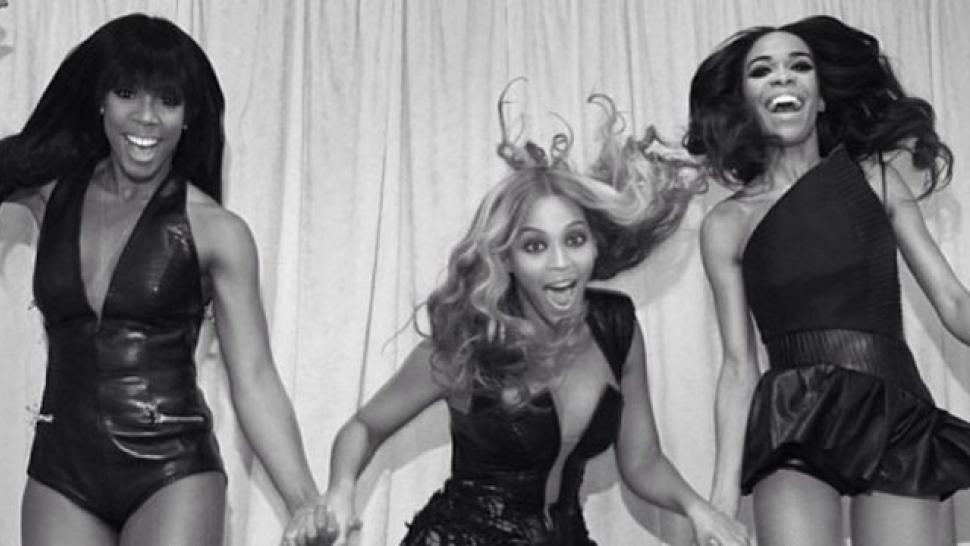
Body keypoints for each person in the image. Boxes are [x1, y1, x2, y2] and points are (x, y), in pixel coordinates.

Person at [287, 89, 751, 546]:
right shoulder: (470, 342)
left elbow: (642, 460)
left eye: (574, 239)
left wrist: (700, 510)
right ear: (505, 258)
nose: (560, 264)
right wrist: (340, 491)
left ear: (595, 244)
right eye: (535, 246)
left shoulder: (616, 326)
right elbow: (364, 427)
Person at [0, 13, 324, 545]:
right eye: (127, 94)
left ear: (189, 115)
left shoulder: (218, 231)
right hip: (61, 470)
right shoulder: (48, 194)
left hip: (172, 473)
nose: (147, 117)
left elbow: (254, 376)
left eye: (168, 101)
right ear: (100, 100)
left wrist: (303, 499)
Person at [687, 14, 970, 546]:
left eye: (799, 65)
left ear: (820, 98)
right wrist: (721, 501)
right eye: (761, 70)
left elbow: (955, 304)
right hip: (793, 419)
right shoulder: (727, 224)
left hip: (894, 410)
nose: (782, 76)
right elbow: (738, 365)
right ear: (745, 102)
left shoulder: (876, 180)